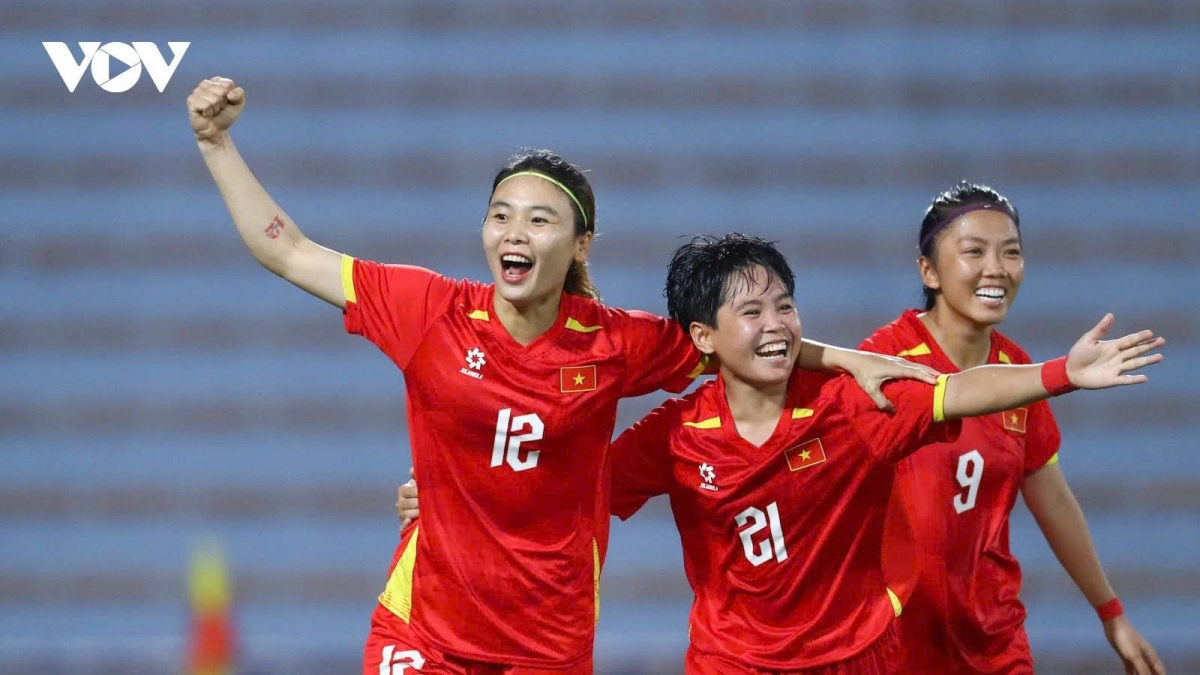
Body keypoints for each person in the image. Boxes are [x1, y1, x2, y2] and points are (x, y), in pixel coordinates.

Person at [187, 77, 935, 674]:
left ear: (580, 243)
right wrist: (215, 143)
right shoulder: (427, 310)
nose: (514, 232)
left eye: (539, 220)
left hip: (547, 641)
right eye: (500, 215)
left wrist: (841, 356)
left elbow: (740, 343)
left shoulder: (615, 344)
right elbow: (289, 252)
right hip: (425, 624)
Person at [398, 233, 1164, 673]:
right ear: (701, 339)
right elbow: (564, 486)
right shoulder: (676, 433)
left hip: (856, 656)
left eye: (786, 305)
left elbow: (958, 391)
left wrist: (1062, 374)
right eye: (751, 310)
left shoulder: (848, 407)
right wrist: (448, 493)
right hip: (733, 663)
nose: (777, 324)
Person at [861, 182, 1165, 675]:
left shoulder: (1018, 370)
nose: (996, 269)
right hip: (893, 643)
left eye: (1011, 252)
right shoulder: (882, 361)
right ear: (929, 271)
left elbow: (1053, 500)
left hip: (991, 640)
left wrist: (1112, 614)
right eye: (974, 251)